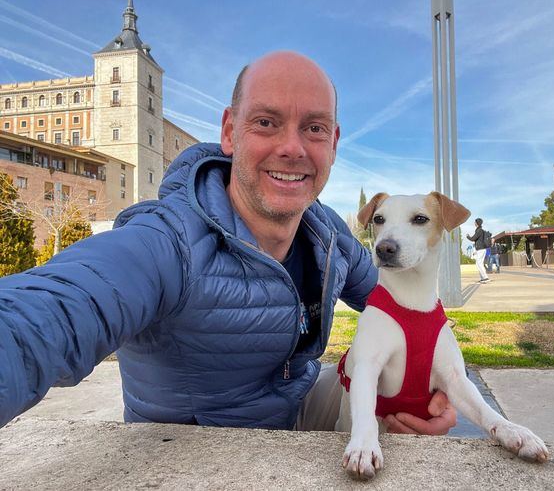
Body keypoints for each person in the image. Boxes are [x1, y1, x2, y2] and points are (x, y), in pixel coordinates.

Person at [0, 52, 455, 435]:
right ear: (231, 132)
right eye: (266, 122)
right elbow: (53, 310)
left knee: (373, 376)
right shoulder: (168, 239)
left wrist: (425, 392)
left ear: (333, 143)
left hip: (298, 409)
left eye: (314, 128)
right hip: (202, 450)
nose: (293, 148)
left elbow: (405, 307)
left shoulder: (326, 231)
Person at [467, 218, 490, 283]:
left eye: (475, 222)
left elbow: (473, 238)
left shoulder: (479, 230)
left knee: (479, 263)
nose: (474, 223)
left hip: (480, 249)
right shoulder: (480, 230)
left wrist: (467, 236)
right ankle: (483, 278)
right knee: (479, 264)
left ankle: (485, 277)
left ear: (477, 223)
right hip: (481, 249)